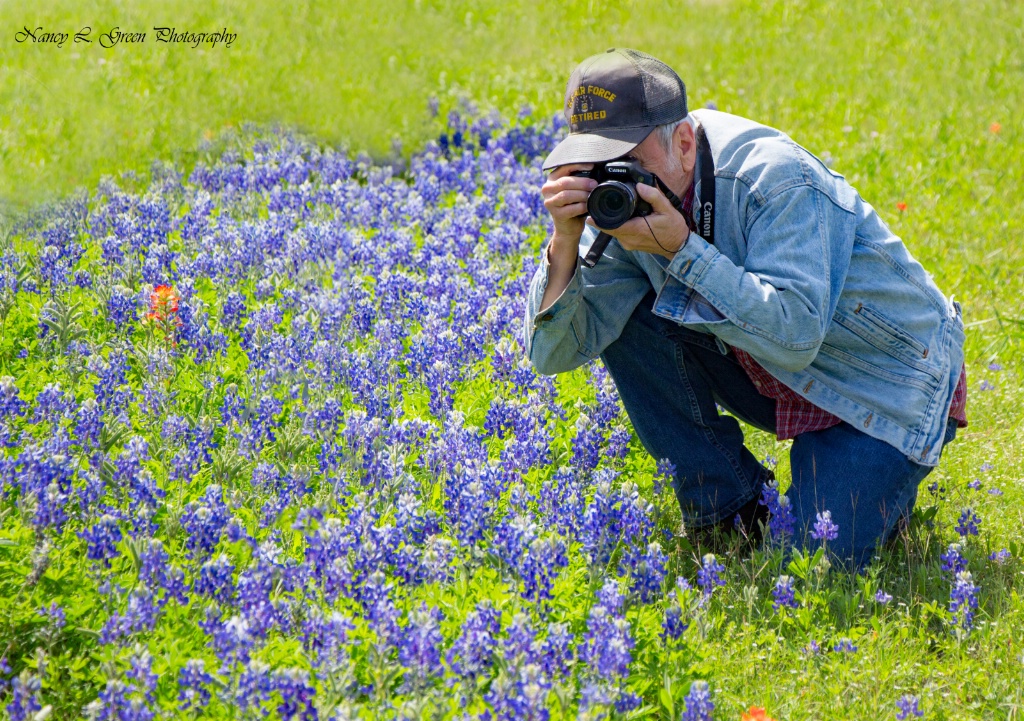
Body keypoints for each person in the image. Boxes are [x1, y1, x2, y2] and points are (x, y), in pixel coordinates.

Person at [523, 48, 967, 572]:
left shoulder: (776, 179)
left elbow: (797, 337)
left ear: (684, 143)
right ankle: (730, 510)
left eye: (629, 162)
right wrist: (566, 241)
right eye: (598, 164)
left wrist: (681, 252)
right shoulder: (625, 205)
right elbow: (551, 354)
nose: (614, 179)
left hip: (885, 381)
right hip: (774, 370)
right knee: (625, 320)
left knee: (818, 566)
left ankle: (878, 491)